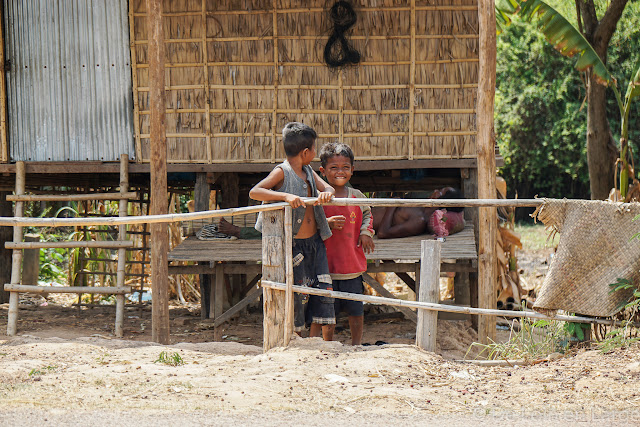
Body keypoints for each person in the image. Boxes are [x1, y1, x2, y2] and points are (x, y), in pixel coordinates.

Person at [250, 122, 336, 340]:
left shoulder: (308, 171)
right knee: (298, 296)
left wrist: (327, 193)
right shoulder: (282, 172)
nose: (315, 154)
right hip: (294, 245)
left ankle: (323, 344)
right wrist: (285, 196)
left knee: (324, 292)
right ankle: (295, 340)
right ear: (306, 152)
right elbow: (255, 192)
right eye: (314, 150)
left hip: (316, 243)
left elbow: (328, 187)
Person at [319, 142, 374, 345]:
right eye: (334, 168)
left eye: (345, 167)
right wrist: (327, 224)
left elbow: (368, 214)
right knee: (328, 314)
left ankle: (356, 345)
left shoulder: (357, 196)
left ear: (352, 170)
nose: (340, 172)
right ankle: (329, 345)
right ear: (323, 171)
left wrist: (366, 232)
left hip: (352, 267)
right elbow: (311, 222)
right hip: (327, 268)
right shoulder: (319, 198)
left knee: (355, 311)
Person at [372, 187, 465, 239]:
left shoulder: (419, 221)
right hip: (361, 214)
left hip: (361, 223)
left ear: (440, 201)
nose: (435, 190)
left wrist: (391, 206)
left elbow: (382, 233)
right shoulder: (420, 206)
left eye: (440, 191)